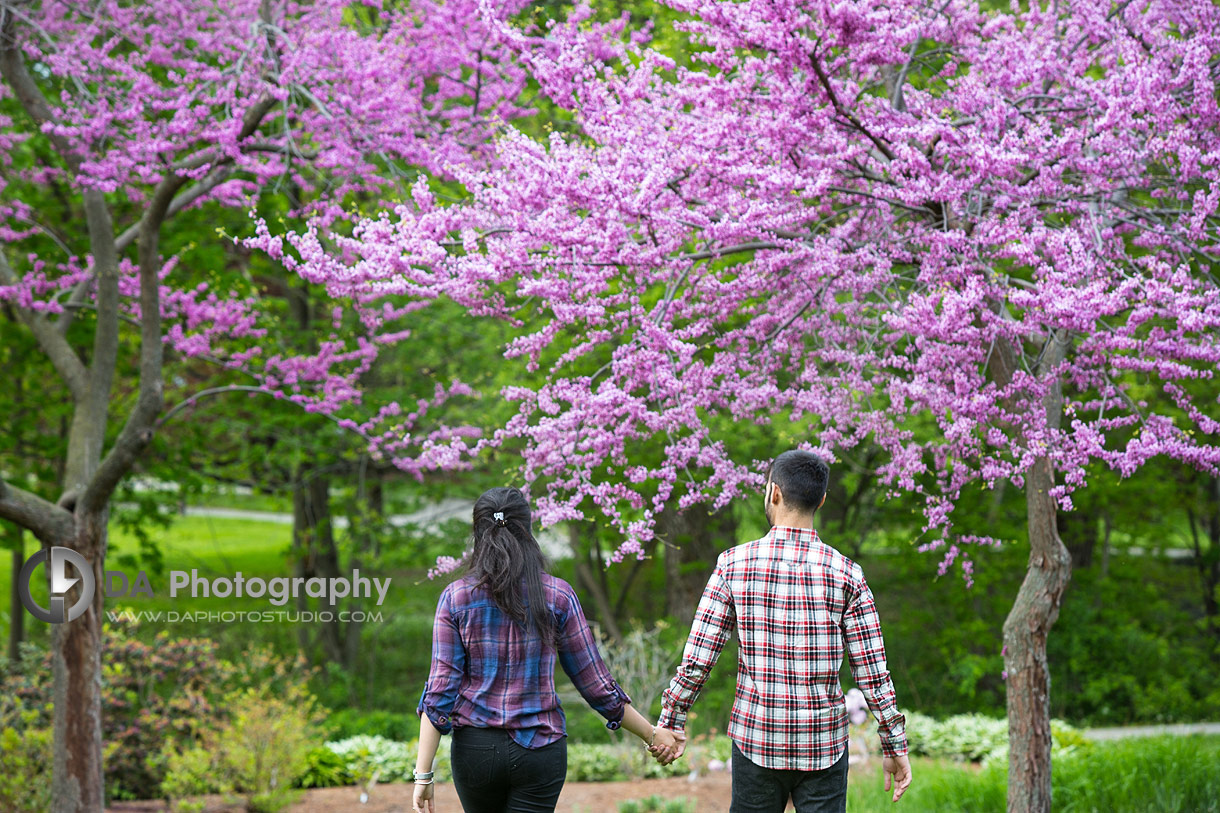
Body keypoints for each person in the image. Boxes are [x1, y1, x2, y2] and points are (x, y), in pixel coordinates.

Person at [651, 450, 913, 812]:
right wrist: (893, 743)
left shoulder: (733, 565)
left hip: (755, 739)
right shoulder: (847, 573)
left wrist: (672, 720)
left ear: (774, 492)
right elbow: (873, 672)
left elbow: (699, 658)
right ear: (821, 500)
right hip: (824, 744)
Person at [412, 487, 678, 813]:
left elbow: (439, 692)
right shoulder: (558, 596)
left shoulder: (455, 598)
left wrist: (423, 775)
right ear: (528, 529)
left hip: (477, 751)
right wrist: (652, 734)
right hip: (540, 751)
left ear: (478, 531)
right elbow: (596, 686)